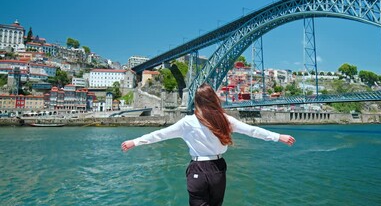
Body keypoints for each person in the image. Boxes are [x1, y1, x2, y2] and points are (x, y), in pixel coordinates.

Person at [121, 83, 295, 206]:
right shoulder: (225, 120)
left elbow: (159, 135)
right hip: (218, 169)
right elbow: (252, 131)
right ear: (214, 100)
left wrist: (135, 142)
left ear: (197, 102)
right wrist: (278, 136)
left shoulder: (188, 122)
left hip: (197, 168)